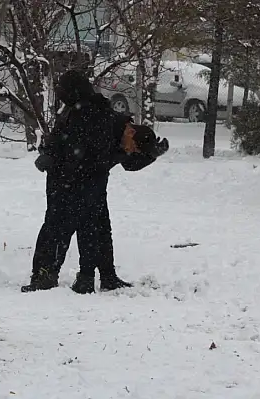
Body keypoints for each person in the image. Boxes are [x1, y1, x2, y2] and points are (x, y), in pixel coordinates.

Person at [21, 70, 169, 294]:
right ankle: (48, 275)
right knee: (62, 227)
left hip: (86, 181)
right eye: (133, 148)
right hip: (69, 180)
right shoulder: (92, 115)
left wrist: (149, 156)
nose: (129, 151)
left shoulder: (105, 118)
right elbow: (81, 149)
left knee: (96, 228)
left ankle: (101, 276)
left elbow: (125, 162)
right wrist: (50, 154)